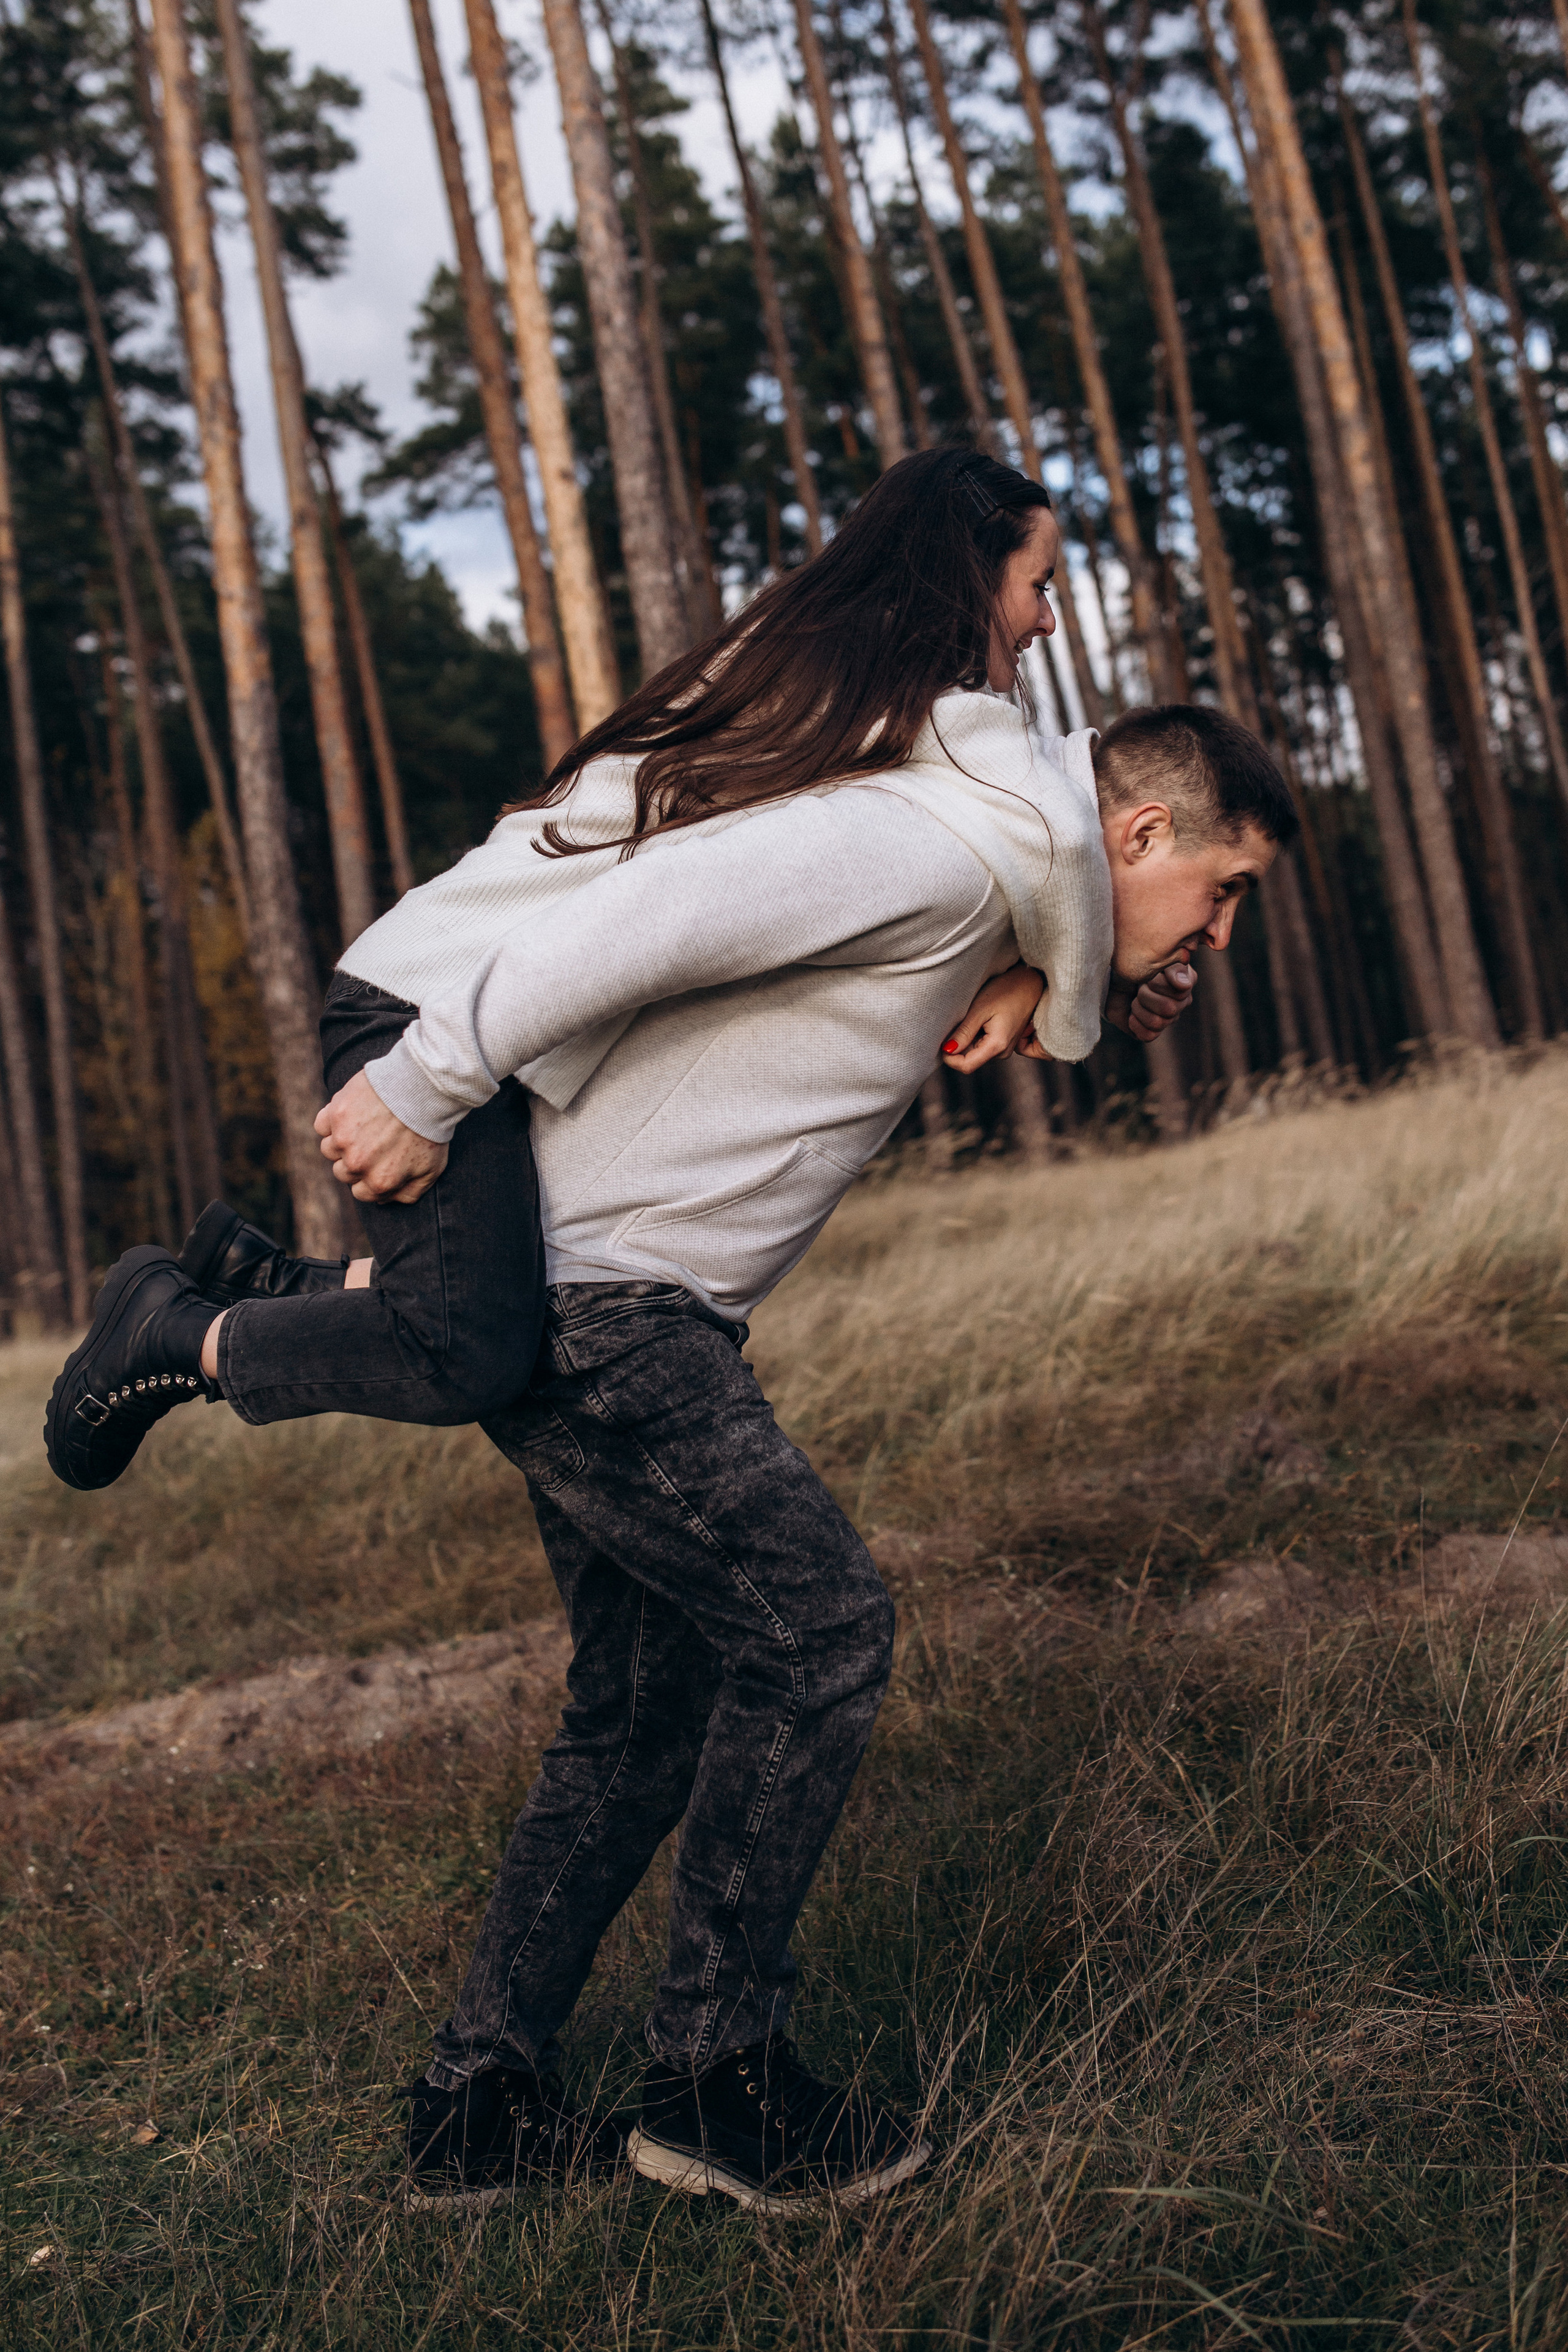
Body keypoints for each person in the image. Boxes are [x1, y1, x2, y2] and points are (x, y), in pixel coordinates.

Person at [45, 447, 1293, 2212]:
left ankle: (476, 2110)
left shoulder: (992, 882)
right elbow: (646, 916)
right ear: (1142, 831)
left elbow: (1047, 942)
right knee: (820, 1628)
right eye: (1221, 893)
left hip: (632, 1304)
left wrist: (1078, 978)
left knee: (642, 1712)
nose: (1223, 935)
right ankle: (715, 2076)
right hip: (619, 1315)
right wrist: (421, 1073)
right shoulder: (926, 847)